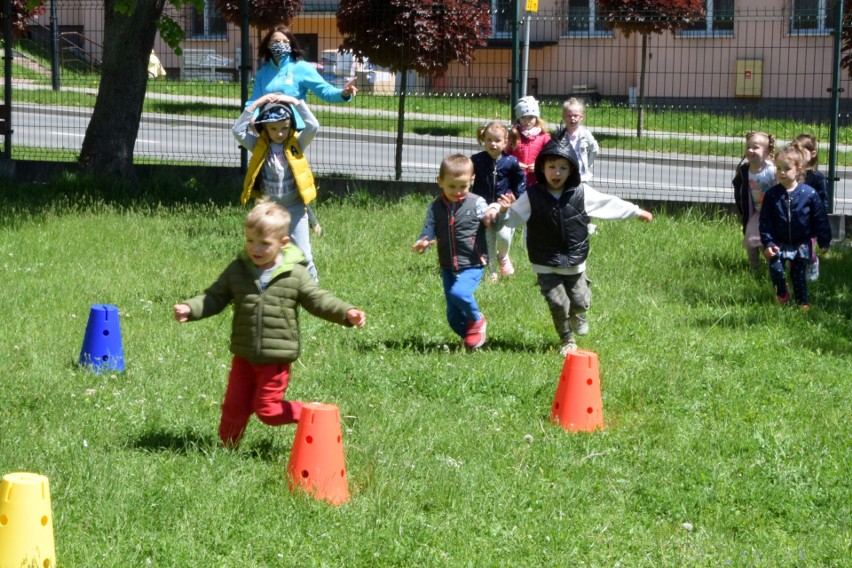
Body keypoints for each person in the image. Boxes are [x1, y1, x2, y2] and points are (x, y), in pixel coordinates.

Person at [173, 199, 366, 448]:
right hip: (244, 356)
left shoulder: (294, 274)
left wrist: (346, 312)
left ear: (283, 243)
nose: (256, 248)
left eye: (264, 243)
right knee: (234, 406)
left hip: (276, 358)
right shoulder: (238, 270)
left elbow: (318, 300)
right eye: (250, 240)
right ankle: (226, 449)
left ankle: (311, 414)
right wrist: (191, 308)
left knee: (269, 411)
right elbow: (215, 296)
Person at [484, 141, 653, 356]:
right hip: (544, 262)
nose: (557, 172)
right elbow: (513, 218)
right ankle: (567, 340)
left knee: (581, 301)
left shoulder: (581, 193)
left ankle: (578, 313)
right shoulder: (533, 196)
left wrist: (635, 212)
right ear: (542, 169)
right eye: (552, 166)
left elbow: (607, 203)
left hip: (574, 262)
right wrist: (504, 211)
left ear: (571, 169)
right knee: (558, 303)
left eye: (563, 167)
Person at [233, 93, 321, 282]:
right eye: (273, 128)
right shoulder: (257, 145)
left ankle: (313, 291)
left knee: (304, 255)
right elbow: (237, 131)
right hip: (270, 210)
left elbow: (313, 126)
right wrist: (256, 104)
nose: (279, 133)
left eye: (284, 128)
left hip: (295, 208)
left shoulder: (296, 143)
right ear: (264, 127)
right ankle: (262, 287)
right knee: (265, 252)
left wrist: (296, 103)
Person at [413, 154, 489, 350]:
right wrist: (423, 243)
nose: (458, 192)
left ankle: (477, 319)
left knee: (460, 293)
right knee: (453, 316)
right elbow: (428, 230)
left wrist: (499, 213)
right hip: (447, 265)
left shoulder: (477, 203)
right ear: (440, 182)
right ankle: (472, 338)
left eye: (463, 186)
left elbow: (491, 220)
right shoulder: (435, 207)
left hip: (473, 261)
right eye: (452, 186)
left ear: (472, 180)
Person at [759, 145, 831, 310]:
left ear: (798, 170)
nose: (781, 172)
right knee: (776, 270)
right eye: (778, 168)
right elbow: (765, 222)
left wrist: (824, 240)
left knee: (798, 274)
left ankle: (802, 303)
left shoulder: (809, 194)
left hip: (801, 243)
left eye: (786, 168)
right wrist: (768, 243)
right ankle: (782, 293)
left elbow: (820, 219)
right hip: (778, 241)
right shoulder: (772, 195)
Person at [246, 25, 357, 114]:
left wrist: (343, 93)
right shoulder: (262, 73)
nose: (281, 44)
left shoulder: (303, 68)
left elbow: (325, 91)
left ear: (290, 46)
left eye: (285, 42)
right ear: (269, 45)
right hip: (268, 128)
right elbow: (254, 101)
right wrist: (251, 118)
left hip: (296, 129)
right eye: (276, 41)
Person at [471, 121, 526, 282]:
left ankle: (502, 256)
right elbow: (465, 173)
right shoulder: (477, 160)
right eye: (489, 140)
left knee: (503, 236)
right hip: (482, 206)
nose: (492, 144)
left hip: (504, 206)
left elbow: (520, 180)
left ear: (506, 142)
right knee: (488, 237)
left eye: (497, 141)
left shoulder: (511, 162)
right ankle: (491, 270)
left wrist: (516, 196)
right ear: (483, 139)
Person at [732, 131, 777, 271]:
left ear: (767, 150)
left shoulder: (772, 170)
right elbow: (739, 190)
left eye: (755, 147)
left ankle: (774, 267)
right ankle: (754, 268)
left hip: (771, 214)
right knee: (751, 240)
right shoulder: (744, 170)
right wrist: (742, 209)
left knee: (767, 242)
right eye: (748, 147)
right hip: (755, 213)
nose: (750, 150)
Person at [792, 133, 829, 281]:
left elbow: (823, 201)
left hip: (810, 223)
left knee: (806, 250)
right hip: (793, 220)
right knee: (793, 249)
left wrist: (818, 218)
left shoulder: (817, 177)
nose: (797, 156)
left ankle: (813, 263)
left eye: (800, 152)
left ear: (812, 154)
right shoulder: (792, 173)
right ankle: (796, 274)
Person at [552, 97, 599, 183]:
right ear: (564, 117)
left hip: (581, 175)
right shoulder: (559, 134)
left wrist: (587, 163)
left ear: (581, 117)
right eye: (569, 116)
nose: (572, 118)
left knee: (580, 195)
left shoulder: (585, 134)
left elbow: (594, 149)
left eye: (575, 116)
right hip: (564, 175)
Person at [509, 95, 551, 189]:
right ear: (518, 118)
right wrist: (514, 164)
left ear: (536, 117)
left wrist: (540, 166)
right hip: (516, 181)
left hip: (537, 182)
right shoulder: (513, 135)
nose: (527, 121)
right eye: (523, 117)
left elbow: (550, 157)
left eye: (531, 117)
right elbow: (505, 155)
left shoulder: (544, 137)